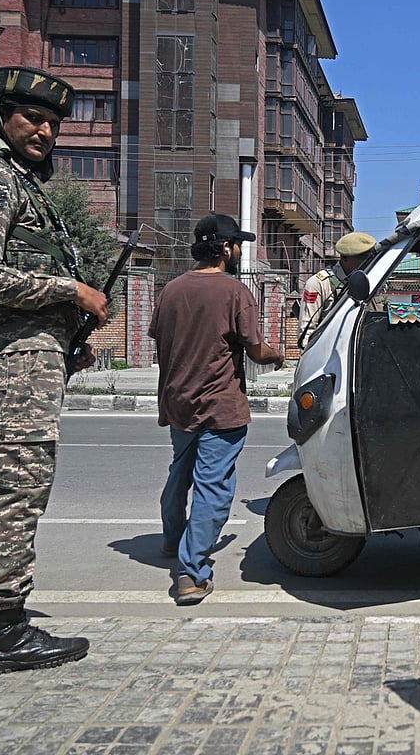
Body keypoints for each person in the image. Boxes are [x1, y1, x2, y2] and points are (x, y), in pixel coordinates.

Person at [0, 66, 109, 676]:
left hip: (11, 355)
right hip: (13, 363)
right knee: (15, 486)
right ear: (1, 115)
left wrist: (64, 331)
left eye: (53, 124)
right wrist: (71, 291)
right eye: (32, 118)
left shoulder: (2, 174)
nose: (44, 131)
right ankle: (3, 630)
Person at [150, 213, 282, 605]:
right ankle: (191, 573)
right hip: (220, 404)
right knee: (213, 485)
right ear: (225, 248)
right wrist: (276, 355)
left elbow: (160, 343)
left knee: (180, 471)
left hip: (178, 400)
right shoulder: (235, 293)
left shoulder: (171, 290)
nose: (241, 251)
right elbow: (255, 349)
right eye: (238, 244)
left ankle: (173, 540)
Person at [297, 231, 376, 338]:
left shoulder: (367, 280)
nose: (366, 263)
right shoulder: (320, 282)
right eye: (361, 258)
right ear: (344, 258)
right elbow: (306, 330)